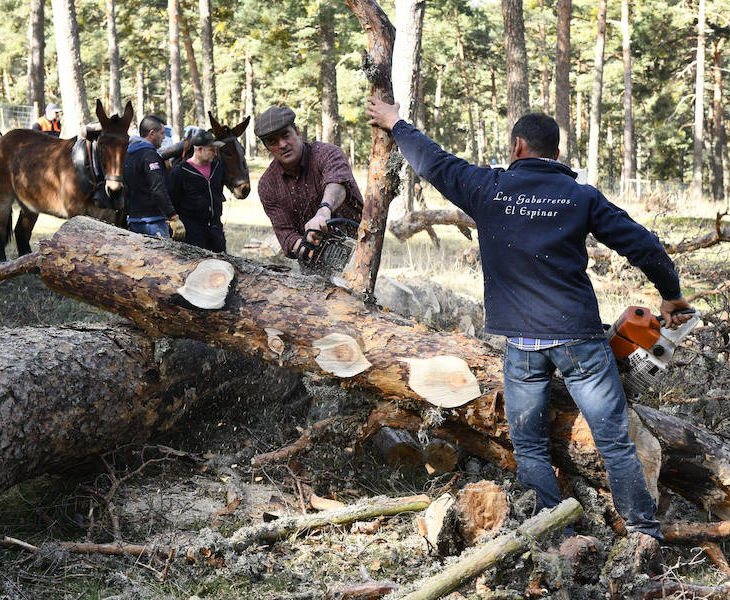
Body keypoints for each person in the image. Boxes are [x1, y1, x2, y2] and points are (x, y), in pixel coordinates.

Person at [365, 97, 694, 557]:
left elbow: (434, 163)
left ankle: (556, 535)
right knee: (614, 441)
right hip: (579, 339)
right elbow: (640, 242)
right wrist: (670, 290)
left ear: (517, 146)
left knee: (532, 446)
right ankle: (643, 532)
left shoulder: (487, 187)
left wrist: (396, 123)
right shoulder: (580, 196)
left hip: (523, 344)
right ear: (554, 155)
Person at [254, 105, 363, 260]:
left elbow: (337, 184)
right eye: (273, 142)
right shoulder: (268, 185)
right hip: (313, 262)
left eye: (286, 135)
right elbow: (286, 234)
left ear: (298, 132)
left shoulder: (328, 154)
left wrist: (324, 211)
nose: (283, 145)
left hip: (359, 246)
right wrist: (309, 250)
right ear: (267, 148)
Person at [123, 114, 184, 240]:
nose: (163, 137)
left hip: (134, 220)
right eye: (161, 133)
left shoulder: (129, 155)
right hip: (152, 223)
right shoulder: (149, 155)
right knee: (163, 259)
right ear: (152, 133)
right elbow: (158, 188)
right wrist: (173, 216)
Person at [169, 130, 229, 252]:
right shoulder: (180, 171)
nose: (215, 153)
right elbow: (171, 199)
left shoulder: (217, 168)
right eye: (212, 149)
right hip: (191, 230)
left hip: (215, 228)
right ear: (199, 149)